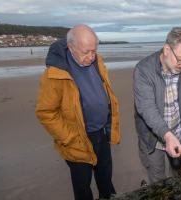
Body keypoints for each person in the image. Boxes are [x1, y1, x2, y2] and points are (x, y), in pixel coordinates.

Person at [35, 24, 120, 200]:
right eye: (86, 52)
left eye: (93, 51)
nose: (91, 56)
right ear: (71, 47)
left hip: (102, 134)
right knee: (82, 187)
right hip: (77, 139)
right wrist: (69, 138)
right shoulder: (55, 74)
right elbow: (45, 112)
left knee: (106, 180)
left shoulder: (98, 61)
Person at [133, 27, 181, 184]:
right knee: (157, 181)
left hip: (179, 133)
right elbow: (147, 108)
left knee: (179, 178)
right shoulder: (143, 70)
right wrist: (167, 136)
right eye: (180, 59)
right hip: (153, 139)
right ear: (166, 49)